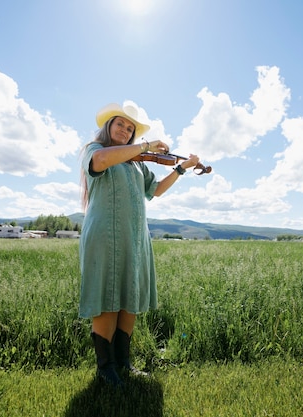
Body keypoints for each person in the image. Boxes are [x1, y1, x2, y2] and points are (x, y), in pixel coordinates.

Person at [79, 102, 200, 386]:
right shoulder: (95, 151)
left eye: (130, 128)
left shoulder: (136, 164)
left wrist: (182, 169)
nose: (125, 130)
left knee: (128, 299)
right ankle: (105, 367)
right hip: (105, 237)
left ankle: (123, 362)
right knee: (107, 299)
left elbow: (154, 190)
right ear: (108, 126)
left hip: (134, 239)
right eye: (120, 124)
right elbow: (101, 163)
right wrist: (145, 146)